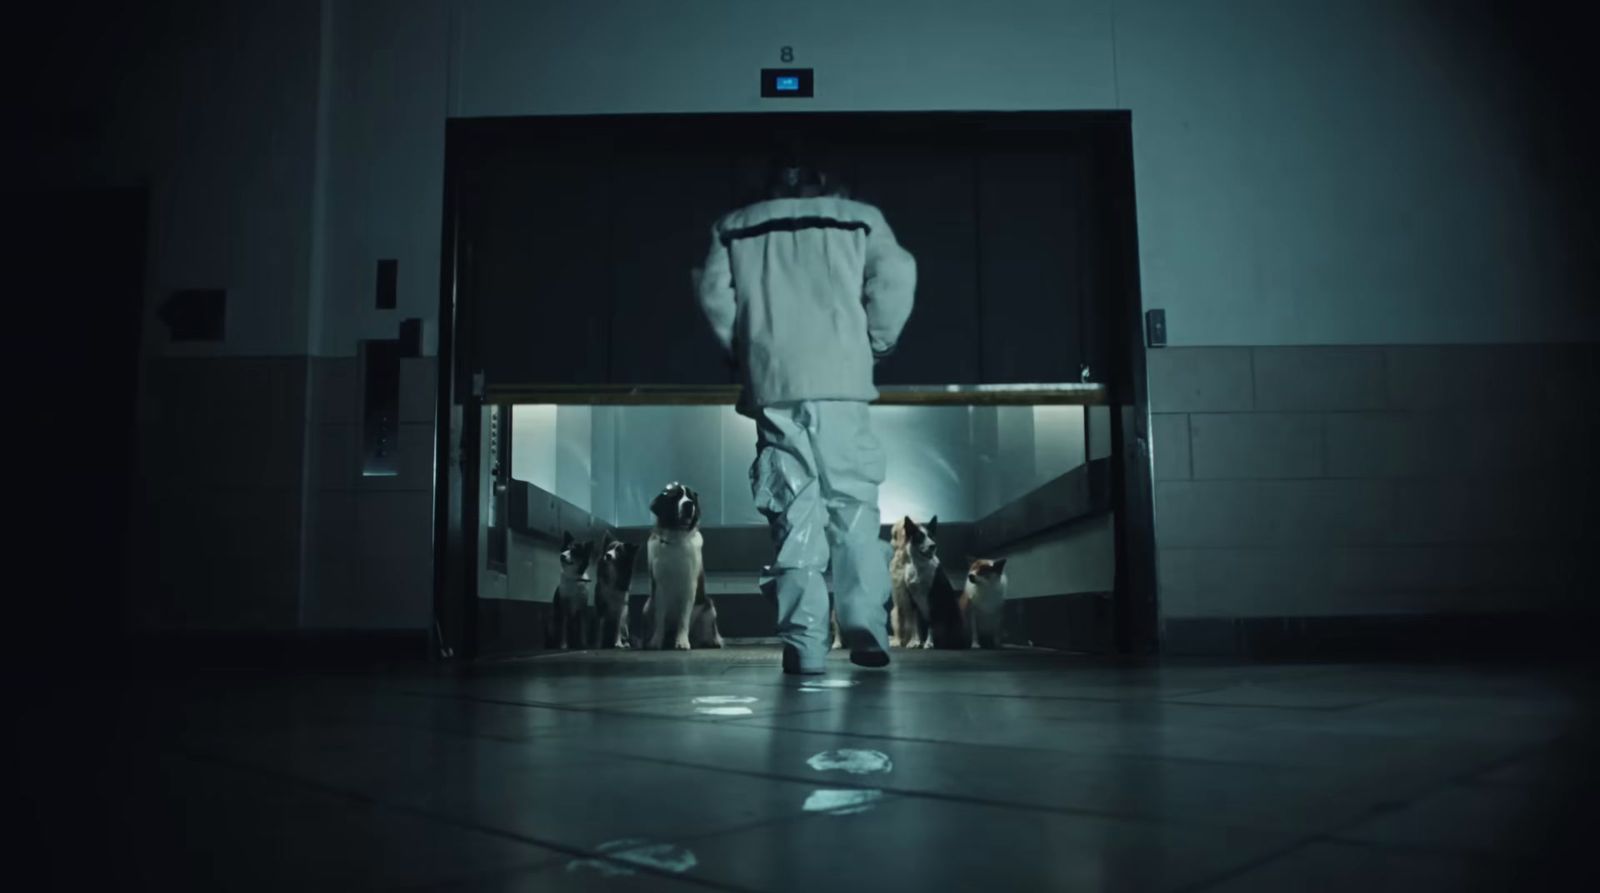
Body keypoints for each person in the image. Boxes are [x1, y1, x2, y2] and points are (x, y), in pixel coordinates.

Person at [693, 155, 917, 675]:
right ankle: (865, 624)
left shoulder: (734, 227)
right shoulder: (860, 218)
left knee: (794, 512)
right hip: (842, 378)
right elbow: (897, 275)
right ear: (827, 181)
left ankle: (805, 644)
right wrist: (876, 342)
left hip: (774, 382)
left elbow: (714, 296)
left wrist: (747, 353)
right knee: (853, 502)